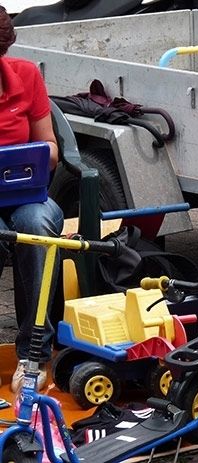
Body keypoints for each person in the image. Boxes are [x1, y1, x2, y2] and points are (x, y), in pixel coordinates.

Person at [0, 4, 64, 392]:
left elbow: (53, 149)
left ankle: (34, 353)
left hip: (26, 194)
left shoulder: (25, 76)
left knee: (37, 225)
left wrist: (33, 157)